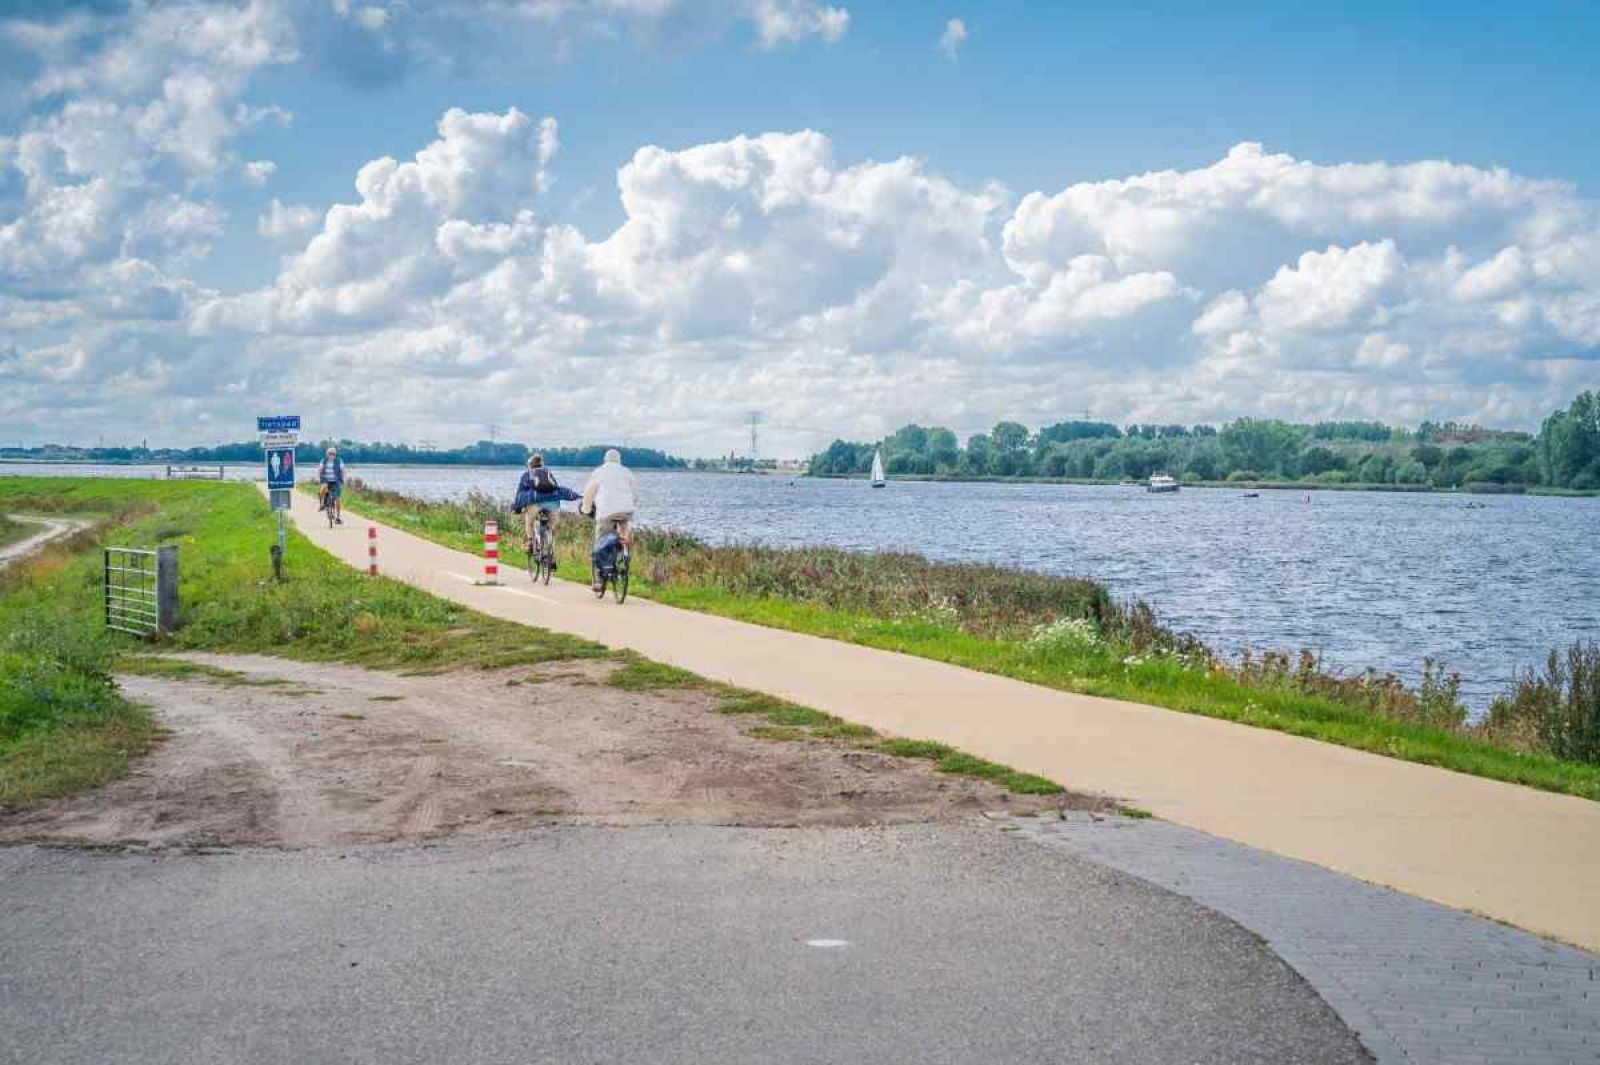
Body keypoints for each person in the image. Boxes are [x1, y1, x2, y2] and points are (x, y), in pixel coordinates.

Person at [580, 448, 639, 589]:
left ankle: (599, 579)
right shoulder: (627, 472)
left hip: (606, 512)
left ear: (605, 459)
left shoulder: (599, 471)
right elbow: (635, 494)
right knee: (623, 530)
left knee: (600, 542)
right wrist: (631, 506)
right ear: (619, 460)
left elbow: (589, 493)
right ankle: (623, 549)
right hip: (626, 511)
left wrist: (586, 509)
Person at [512, 455, 576, 564]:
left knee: (529, 522)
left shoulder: (527, 474)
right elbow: (555, 487)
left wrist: (517, 508)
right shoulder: (548, 473)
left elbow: (520, 493)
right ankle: (550, 554)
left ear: (530, 465)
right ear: (542, 465)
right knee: (551, 528)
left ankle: (531, 541)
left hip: (535, 503)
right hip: (553, 503)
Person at [318, 446, 345, 524]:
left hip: (336, 481)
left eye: (333, 454)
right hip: (325, 480)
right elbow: (319, 469)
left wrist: (343, 478)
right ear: (327, 454)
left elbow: (343, 470)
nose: (332, 455)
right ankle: (322, 503)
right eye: (330, 453)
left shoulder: (339, 461)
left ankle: (338, 517)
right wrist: (318, 478)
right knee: (323, 488)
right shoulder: (323, 461)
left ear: (335, 454)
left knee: (338, 499)